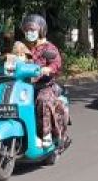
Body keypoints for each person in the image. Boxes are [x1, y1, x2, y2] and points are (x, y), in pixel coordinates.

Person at [19, 13, 68, 149]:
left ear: (40, 31)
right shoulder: (22, 47)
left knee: (42, 100)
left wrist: (48, 69)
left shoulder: (48, 47)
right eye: (27, 30)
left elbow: (56, 63)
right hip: (24, 86)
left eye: (33, 30)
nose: (29, 33)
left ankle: (46, 134)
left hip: (44, 85)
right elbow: (12, 58)